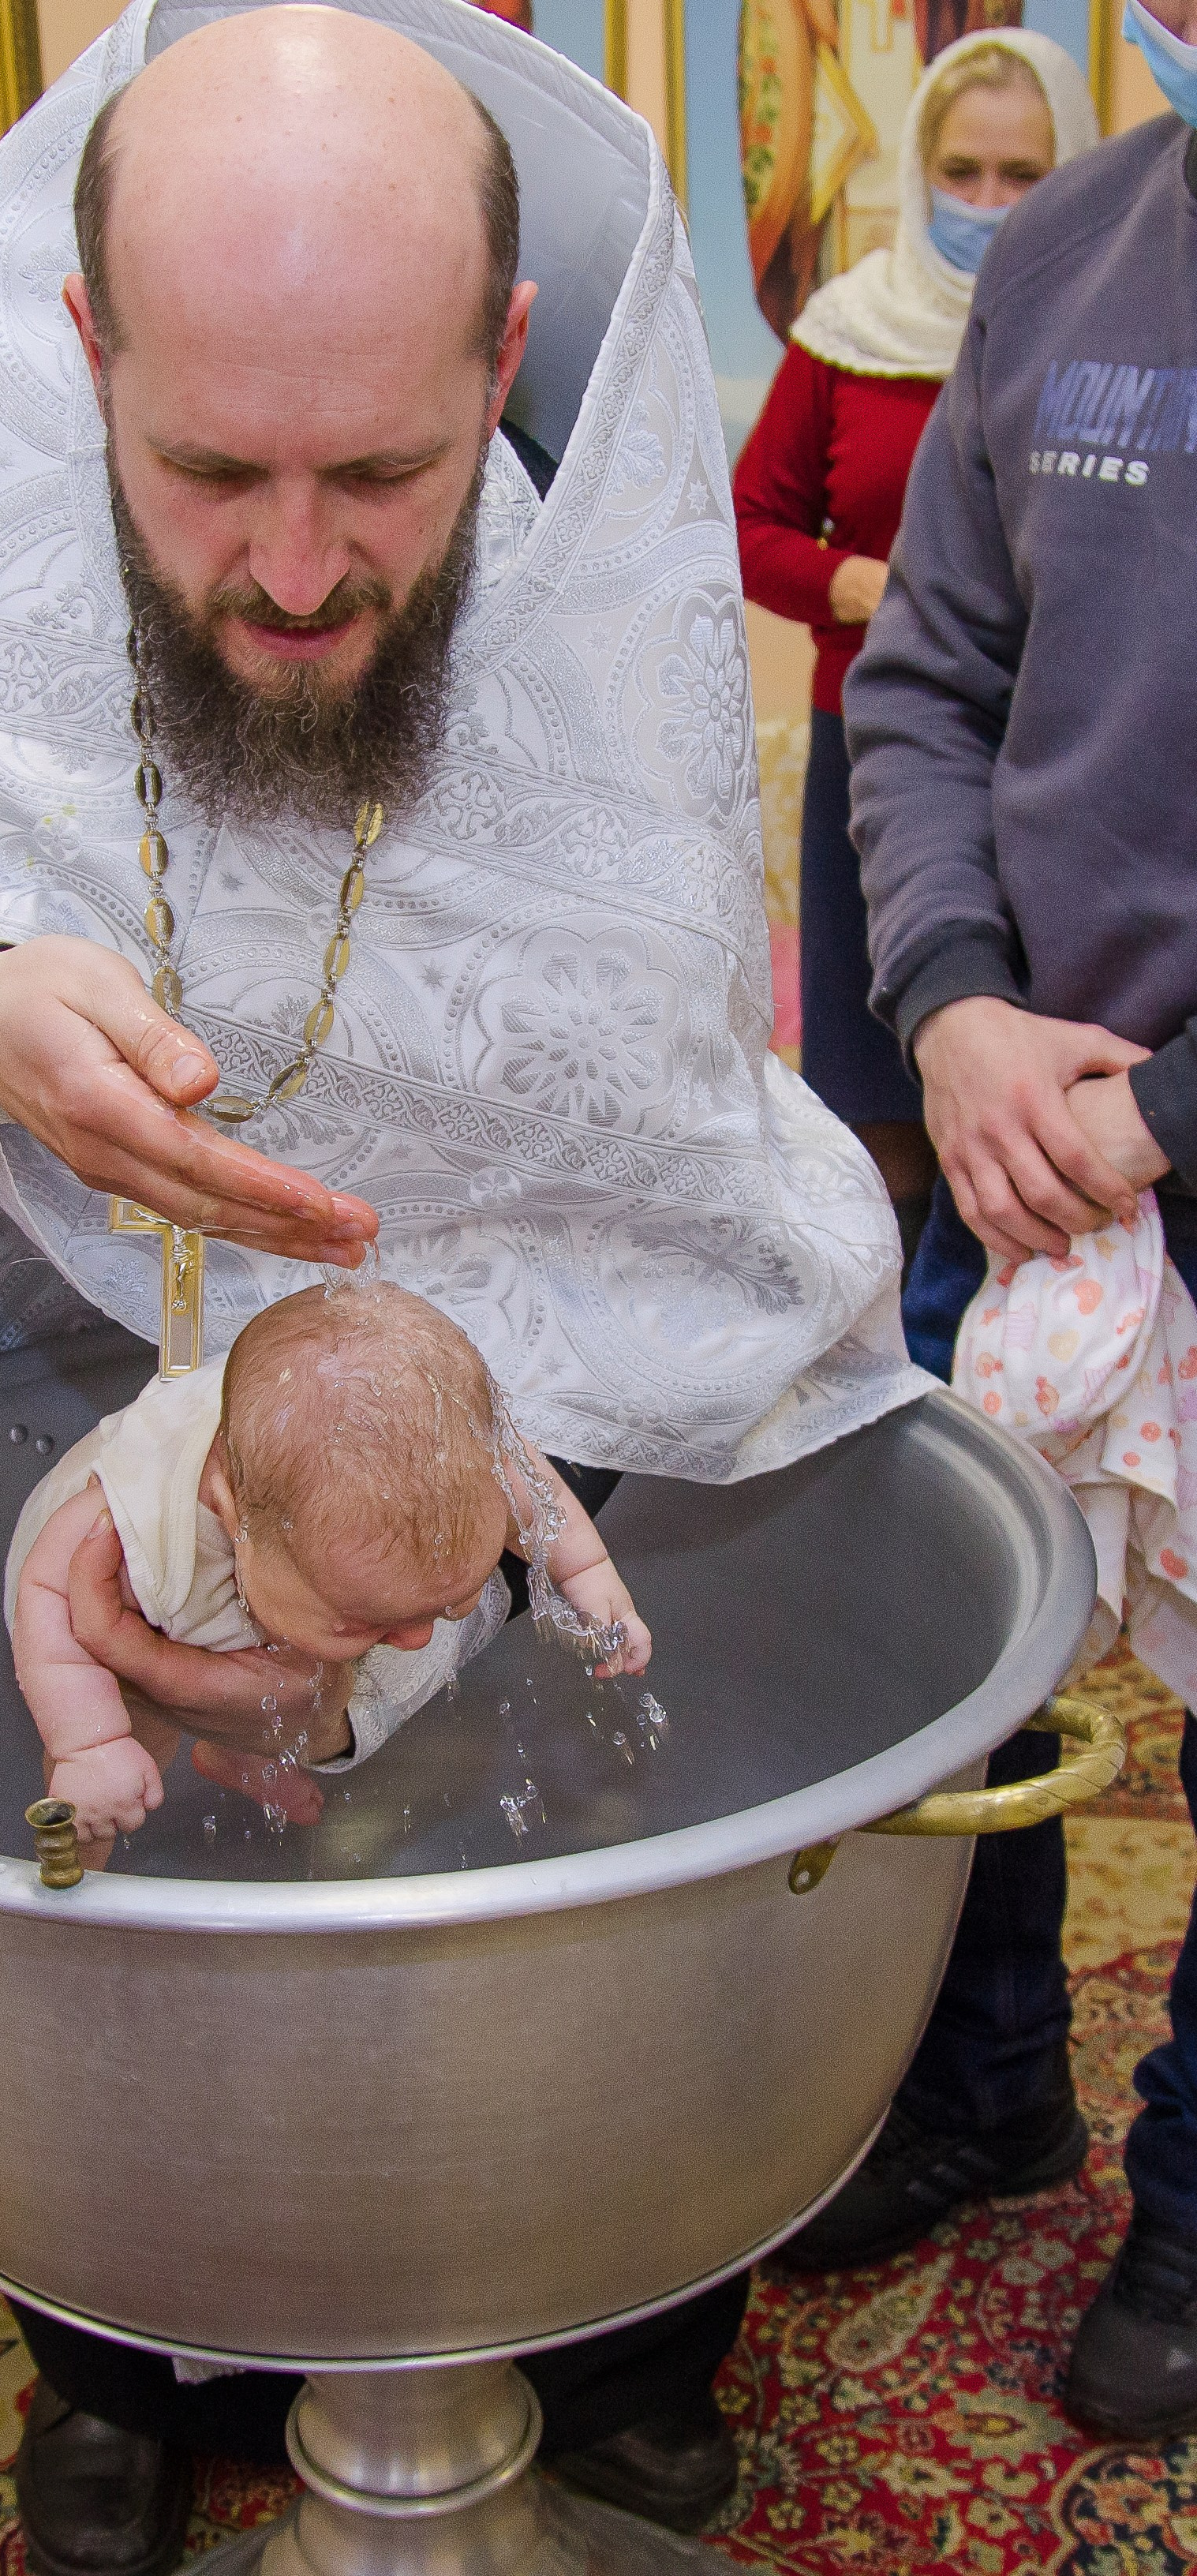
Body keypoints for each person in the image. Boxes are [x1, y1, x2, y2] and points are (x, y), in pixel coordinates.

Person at [0, 1, 928, 2556]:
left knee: (550, 1889)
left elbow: (652, 1170)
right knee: (117, 1922)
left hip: (489, 1452)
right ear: (89, 362)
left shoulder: (590, 595)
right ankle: (109, 2342)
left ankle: (615, 2317)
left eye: (384, 473)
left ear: (499, 366)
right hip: (77, 1410)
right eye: (207, 473)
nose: (295, 573)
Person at [783, 0, 1197, 2443]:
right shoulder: (1059, 252)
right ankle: (981, 2080)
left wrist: (1167, 1104)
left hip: (1133, 1118)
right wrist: (942, 1006)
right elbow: (923, 675)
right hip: (1020, 1133)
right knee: (952, 1652)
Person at [734, 32, 1097, 1267]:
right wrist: (855, 583)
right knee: (873, 1093)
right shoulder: (847, 334)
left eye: (1023, 176)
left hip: (1050, 766)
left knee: (1023, 1102)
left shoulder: (1097, 342)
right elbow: (743, 524)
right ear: (914, 170)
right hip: (875, 758)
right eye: (962, 171)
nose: (987, 205)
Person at [9, 1279, 649, 1849]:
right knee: (133, 1727)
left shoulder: (448, 1460)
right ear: (231, 1513)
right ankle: (79, 1855)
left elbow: (520, 1478)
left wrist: (586, 1572)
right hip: (112, 1615)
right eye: (359, 1619)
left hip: (276, 1568)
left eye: (448, 1607)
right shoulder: (135, 1529)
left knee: (314, 1655)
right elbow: (48, 1593)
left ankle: (249, 1751)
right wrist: (88, 1741)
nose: (420, 1640)